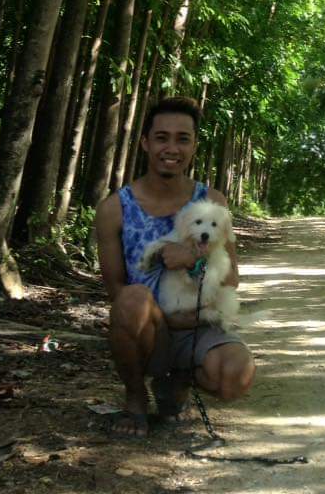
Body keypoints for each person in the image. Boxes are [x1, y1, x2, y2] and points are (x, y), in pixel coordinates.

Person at [95, 96, 256, 437]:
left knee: (235, 376)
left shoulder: (212, 202)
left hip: (198, 321)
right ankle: (136, 397)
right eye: (161, 137)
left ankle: (177, 381)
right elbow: (116, 293)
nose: (172, 147)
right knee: (132, 299)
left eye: (183, 139)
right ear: (145, 143)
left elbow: (231, 277)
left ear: (194, 146)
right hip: (148, 325)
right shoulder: (114, 208)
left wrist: (194, 257)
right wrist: (164, 318)